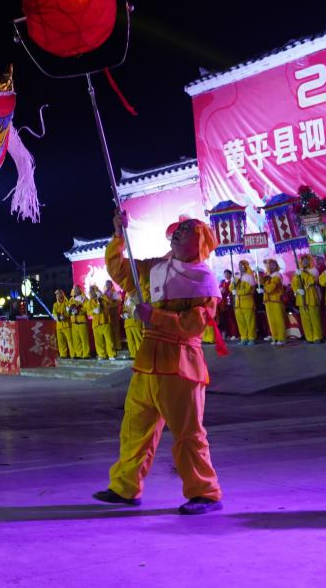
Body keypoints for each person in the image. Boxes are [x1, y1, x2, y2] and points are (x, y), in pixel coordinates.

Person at [94, 211, 224, 515]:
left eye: (188, 229)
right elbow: (120, 270)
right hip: (147, 363)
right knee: (134, 429)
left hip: (181, 365)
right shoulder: (155, 268)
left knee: (189, 434)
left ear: (200, 242)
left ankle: (205, 492)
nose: (179, 231)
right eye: (179, 228)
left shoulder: (203, 281)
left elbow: (195, 325)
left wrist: (155, 316)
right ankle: (125, 487)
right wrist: (117, 236)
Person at [292, 255, 324, 343]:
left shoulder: (313, 271)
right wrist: (297, 290)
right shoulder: (297, 272)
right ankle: (309, 337)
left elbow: (313, 280)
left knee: (314, 318)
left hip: (311, 296)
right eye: (303, 261)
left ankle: (317, 337)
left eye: (307, 260)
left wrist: (303, 273)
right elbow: (294, 284)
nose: (305, 262)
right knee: (305, 319)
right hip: (301, 298)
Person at [261, 258, 287, 346]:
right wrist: (258, 274)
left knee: (278, 320)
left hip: (276, 300)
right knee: (271, 321)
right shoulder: (268, 276)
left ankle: (281, 338)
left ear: (276, 266)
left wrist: (263, 288)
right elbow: (260, 282)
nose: (271, 266)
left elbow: (271, 287)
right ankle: (275, 337)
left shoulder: (277, 275)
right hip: (268, 301)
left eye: (273, 264)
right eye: (270, 265)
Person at [233, 261, 258, 346]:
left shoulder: (250, 277)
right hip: (238, 304)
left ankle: (252, 338)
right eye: (239, 265)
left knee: (250, 322)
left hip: (247, 303)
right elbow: (230, 288)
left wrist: (237, 292)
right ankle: (244, 337)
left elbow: (248, 290)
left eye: (243, 265)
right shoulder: (236, 276)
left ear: (246, 266)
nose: (241, 267)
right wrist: (234, 284)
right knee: (241, 322)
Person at [69, 286, 91, 359]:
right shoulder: (71, 299)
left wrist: (79, 311)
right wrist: (70, 311)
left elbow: (87, 308)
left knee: (84, 339)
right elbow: (68, 310)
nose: (75, 291)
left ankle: (86, 354)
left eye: (77, 289)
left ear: (80, 290)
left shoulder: (84, 298)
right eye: (74, 289)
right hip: (74, 322)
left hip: (82, 322)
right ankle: (79, 354)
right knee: (76, 340)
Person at [52, 290, 72, 359]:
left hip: (67, 325)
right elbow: (54, 313)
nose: (57, 296)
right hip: (59, 326)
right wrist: (57, 318)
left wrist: (65, 316)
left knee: (70, 341)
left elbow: (69, 312)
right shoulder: (55, 305)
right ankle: (63, 354)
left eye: (58, 294)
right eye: (56, 295)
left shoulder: (67, 303)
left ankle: (73, 354)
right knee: (61, 342)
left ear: (62, 295)